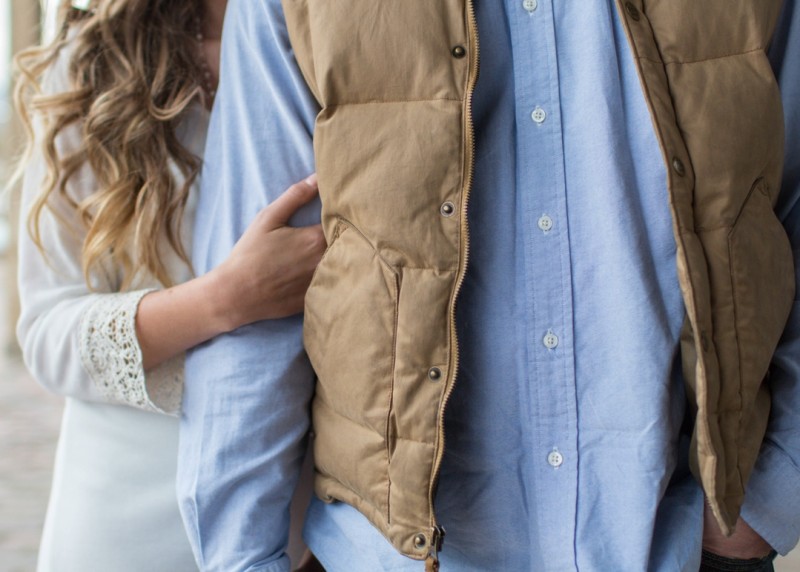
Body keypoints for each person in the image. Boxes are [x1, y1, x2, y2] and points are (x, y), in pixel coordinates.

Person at [179, 1, 800, 571]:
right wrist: (243, 558)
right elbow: (256, 304)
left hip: (685, 546)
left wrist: (767, 503)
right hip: (395, 555)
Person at [13, 0, 324, 570]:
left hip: (300, 512)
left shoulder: (343, 47)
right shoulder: (89, 65)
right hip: (121, 516)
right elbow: (45, 332)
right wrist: (226, 300)